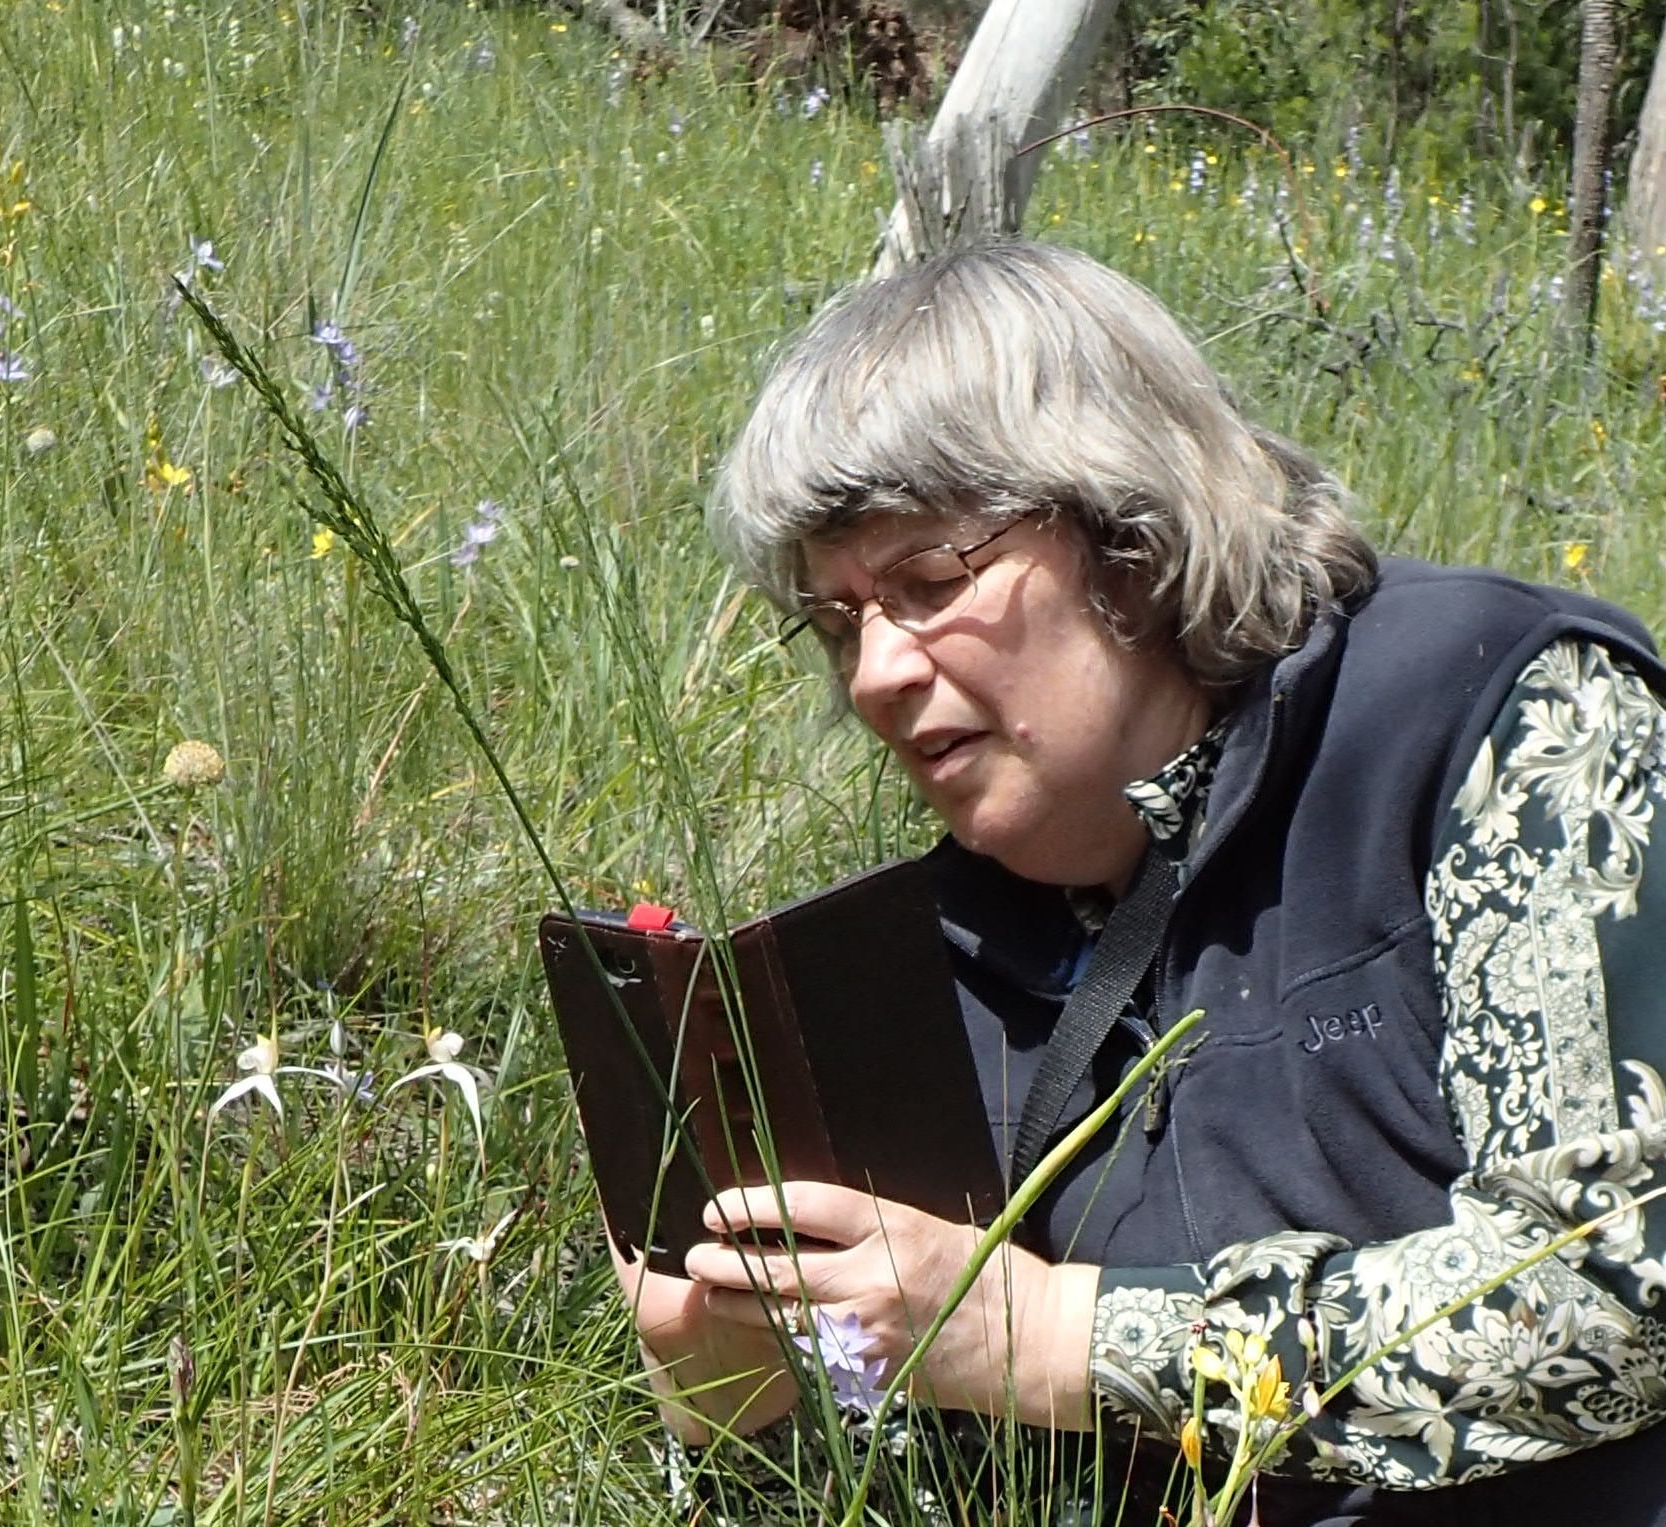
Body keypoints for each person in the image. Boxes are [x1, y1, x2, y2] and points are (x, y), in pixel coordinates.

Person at [608, 240, 1666, 1525]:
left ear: (1129, 536)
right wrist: (727, 1384)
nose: (875, 671)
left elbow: (1617, 1297)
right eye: (837, 621)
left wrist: (1049, 1337)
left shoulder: (1488, 722)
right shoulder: (925, 961)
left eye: (928, 582)